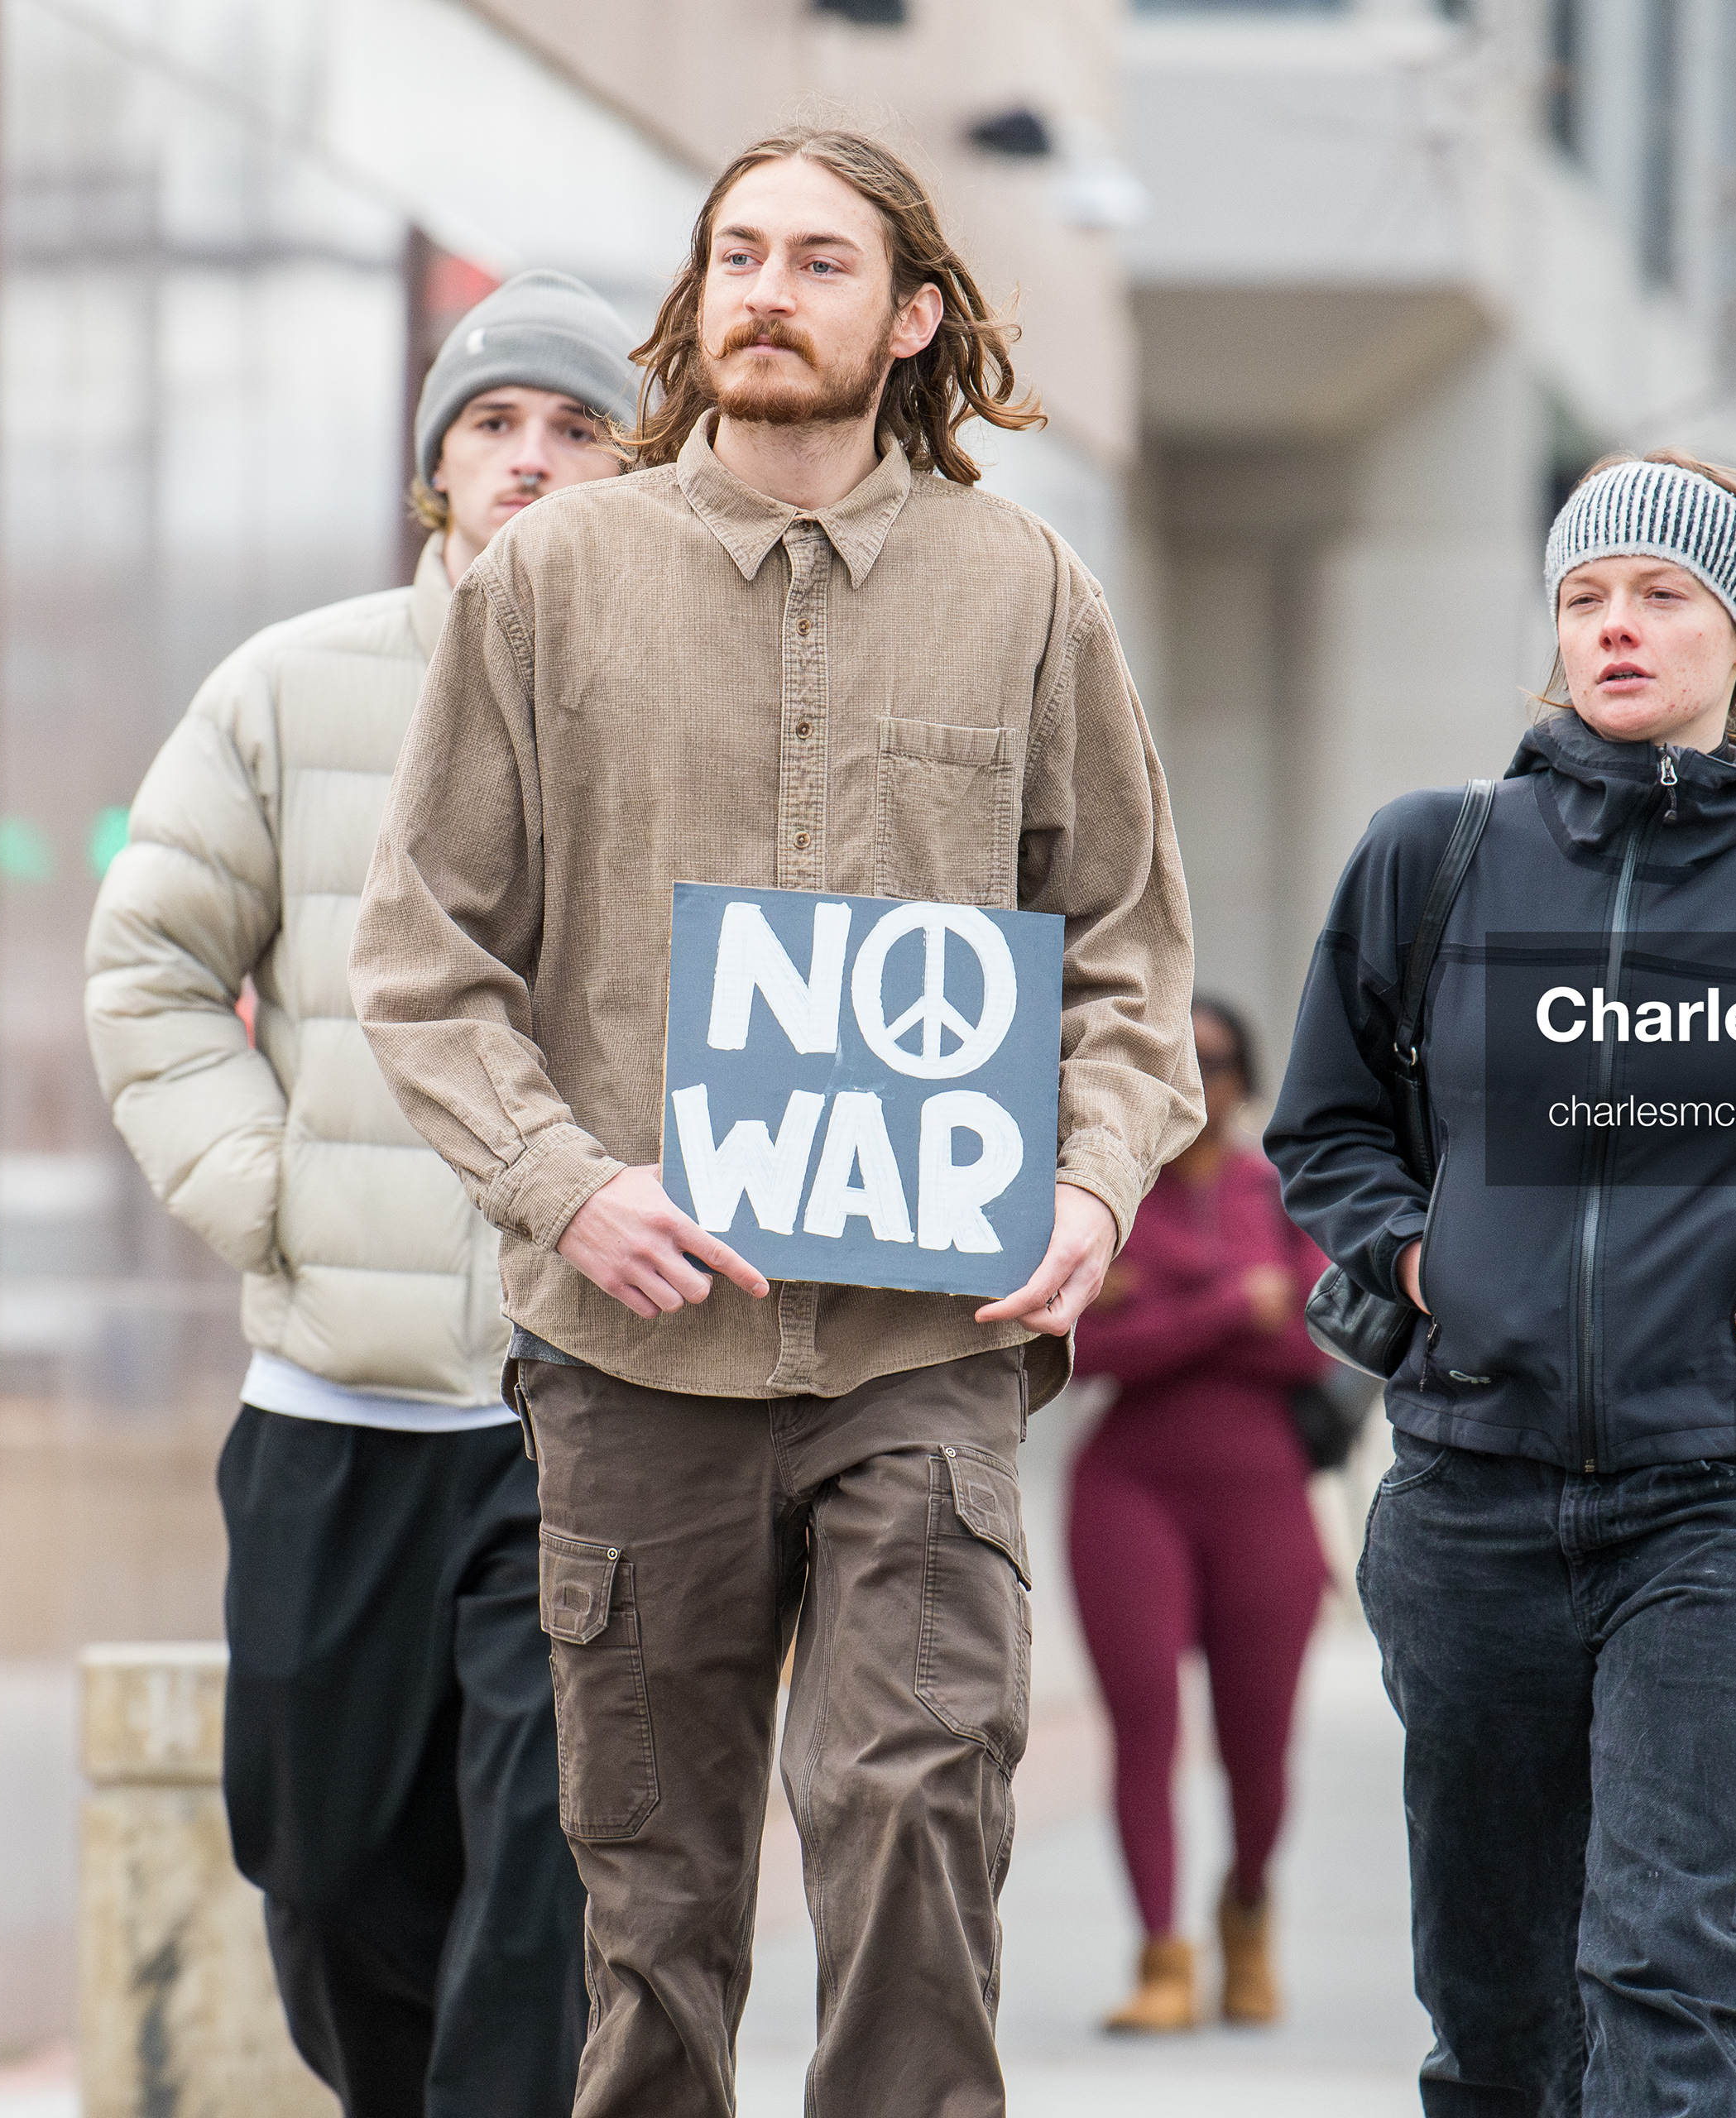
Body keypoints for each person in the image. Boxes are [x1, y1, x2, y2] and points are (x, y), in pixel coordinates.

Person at [348, 128, 1200, 2118]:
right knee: (647, 1901)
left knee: (915, 1815)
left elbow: (1129, 958)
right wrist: (567, 1189)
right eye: (735, 253)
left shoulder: (1025, 591)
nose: (761, 290)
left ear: (909, 319)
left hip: (928, 1343)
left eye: (818, 260)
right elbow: (421, 956)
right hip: (637, 1346)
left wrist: (1088, 1180)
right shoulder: (555, 579)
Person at [1268, 451, 1736, 2116]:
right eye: (1586, 596)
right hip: (1471, 1495)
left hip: (1720, 1500)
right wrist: (1422, 1253)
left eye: (1662, 594)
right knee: (1492, 2012)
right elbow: (1323, 1128)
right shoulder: (1437, 857)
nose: (1617, 627)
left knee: (1663, 1971)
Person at [84, 268, 637, 2116]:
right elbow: (150, 965)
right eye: (496, 425)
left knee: (540, 1869)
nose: (533, 462)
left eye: (579, 429)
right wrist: (271, 1192)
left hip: (586, 1409)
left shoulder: (685, 723)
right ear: (437, 468)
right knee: (319, 1866)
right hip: (336, 1397)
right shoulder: (287, 689)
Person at [1069, 997, 1333, 2035]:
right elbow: (1080, 1350)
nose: (1201, 1079)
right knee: (1144, 1730)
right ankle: (1161, 1955)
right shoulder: (1109, 1197)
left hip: (1265, 1495)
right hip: (1129, 1491)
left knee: (1259, 1747)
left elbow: (1315, 1343)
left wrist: (1159, 1301)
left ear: (1244, 1075)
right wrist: (1232, 1305)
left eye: (1219, 1060)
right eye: (1183, 1060)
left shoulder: (1286, 1191)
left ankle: (1248, 1912)